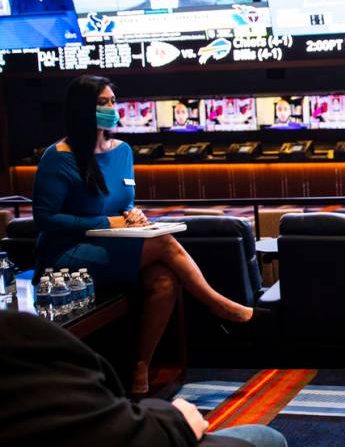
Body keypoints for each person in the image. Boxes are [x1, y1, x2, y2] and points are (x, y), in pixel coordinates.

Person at [32, 76, 259, 395]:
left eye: (113, 101)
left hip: (110, 247)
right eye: (104, 102)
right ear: (84, 108)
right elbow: (45, 219)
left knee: (165, 280)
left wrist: (133, 214)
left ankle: (140, 368)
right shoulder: (58, 157)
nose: (112, 107)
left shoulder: (122, 151)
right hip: (65, 255)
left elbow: (123, 202)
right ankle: (218, 305)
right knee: (163, 243)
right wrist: (109, 222)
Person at [0, 311, 286, 447]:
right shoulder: (17, 336)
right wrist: (177, 420)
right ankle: (228, 310)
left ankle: (223, 309)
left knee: (163, 273)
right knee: (268, 439)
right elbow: (112, 441)